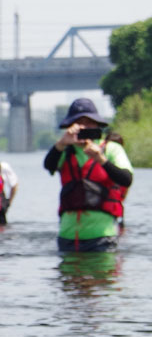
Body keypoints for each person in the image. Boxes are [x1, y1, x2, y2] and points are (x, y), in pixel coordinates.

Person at [44, 97, 133, 252]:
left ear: (97, 125)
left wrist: (101, 159)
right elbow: (49, 165)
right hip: (67, 237)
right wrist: (62, 143)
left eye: (89, 122)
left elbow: (126, 179)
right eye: (79, 122)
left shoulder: (111, 149)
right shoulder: (64, 150)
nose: (84, 127)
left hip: (102, 238)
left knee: (101, 277)